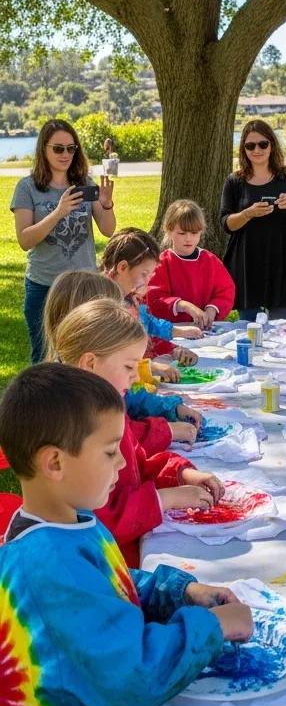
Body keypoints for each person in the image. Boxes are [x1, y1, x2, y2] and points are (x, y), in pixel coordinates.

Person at [0, 364, 252, 706]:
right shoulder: (47, 565)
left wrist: (181, 592)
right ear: (55, 463)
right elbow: (132, 675)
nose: (122, 463)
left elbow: (109, 583)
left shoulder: (70, 519)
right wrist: (214, 627)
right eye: (109, 450)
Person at [54, 298, 225, 566]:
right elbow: (98, 521)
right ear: (90, 363)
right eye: (128, 367)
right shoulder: (72, 429)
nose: (136, 377)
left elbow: (137, 461)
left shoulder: (109, 408)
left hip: (133, 551)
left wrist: (182, 473)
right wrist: (164, 499)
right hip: (105, 568)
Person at [42, 269, 201, 452]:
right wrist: (168, 431)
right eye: (112, 313)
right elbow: (123, 441)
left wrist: (172, 408)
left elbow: (132, 397)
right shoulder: (74, 401)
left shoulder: (99, 376)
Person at [10, 118, 116, 362]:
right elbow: (25, 240)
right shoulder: (27, 188)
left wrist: (107, 204)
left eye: (71, 148)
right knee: (44, 358)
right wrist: (59, 212)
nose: (65, 154)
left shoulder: (85, 185)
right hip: (44, 286)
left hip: (84, 286)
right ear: (43, 149)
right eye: (58, 148)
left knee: (84, 357)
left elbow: (108, 230)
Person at [220, 119, 286, 320]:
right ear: (243, 149)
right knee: (249, 330)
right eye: (250, 145)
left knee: (284, 331)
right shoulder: (235, 181)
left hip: (282, 262)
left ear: (272, 144)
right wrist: (247, 213)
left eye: (263, 144)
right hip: (247, 264)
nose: (257, 150)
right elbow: (225, 223)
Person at [102, 228, 202, 375]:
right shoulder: (100, 304)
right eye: (144, 274)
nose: (148, 281)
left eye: (151, 274)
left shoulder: (132, 297)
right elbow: (110, 359)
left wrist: (173, 349)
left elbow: (146, 328)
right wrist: (150, 368)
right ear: (123, 267)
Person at [146, 199, 236, 328]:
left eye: (194, 233)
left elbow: (226, 291)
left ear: (201, 231)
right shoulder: (161, 263)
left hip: (206, 329)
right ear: (168, 230)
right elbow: (154, 299)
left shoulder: (210, 261)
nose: (188, 238)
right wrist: (184, 306)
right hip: (174, 331)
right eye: (182, 233)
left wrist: (212, 309)